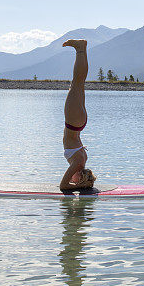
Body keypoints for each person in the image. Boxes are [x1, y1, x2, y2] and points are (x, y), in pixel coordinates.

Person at [59, 39, 96, 191]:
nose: (71, 178)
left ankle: (81, 49)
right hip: (74, 122)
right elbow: (63, 186)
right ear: (79, 178)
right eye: (75, 179)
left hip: (79, 123)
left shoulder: (82, 162)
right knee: (77, 82)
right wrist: (76, 186)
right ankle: (80, 48)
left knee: (79, 82)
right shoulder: (78, 164)